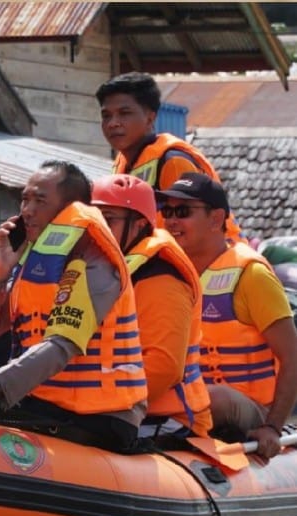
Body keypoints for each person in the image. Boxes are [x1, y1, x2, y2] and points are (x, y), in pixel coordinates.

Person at [0, 160, 148, 452]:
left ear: (69, 208)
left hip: (100, 417)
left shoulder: (96, 259)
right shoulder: (33, 257)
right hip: (47, 404)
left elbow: (62, 344)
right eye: (25, 199)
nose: (27, 210)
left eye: (40, 201)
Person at [157, 172, 297, 459]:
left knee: (214, 399)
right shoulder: (166, 274)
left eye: (183, 211)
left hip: (248, 407)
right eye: (167, 211)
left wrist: (272, 426)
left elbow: (292, 356)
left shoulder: (251, 275)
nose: (171, 221)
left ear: (216, 218)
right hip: (186, 401)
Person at [91, 174, 212, 438]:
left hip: (165, 419)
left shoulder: (160, 277)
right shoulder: (102, 268)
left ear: (139, 224)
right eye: (93, 218)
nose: (96, 228)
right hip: (118, 406)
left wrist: (99, 404)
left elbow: (164, 366)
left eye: (108, 219)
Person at [95, 71, 241, 240]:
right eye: (106, 116)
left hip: (213, 263)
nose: (113, 123)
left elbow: (191, 234)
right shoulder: (122, 163)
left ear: (150, 118)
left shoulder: (172, 161)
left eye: (124, 113)